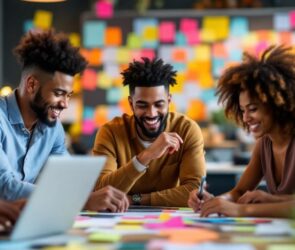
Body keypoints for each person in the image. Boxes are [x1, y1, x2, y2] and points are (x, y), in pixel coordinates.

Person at [0, 30, 129, 212]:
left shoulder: (53, 129)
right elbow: (5, 188)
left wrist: (93, 194)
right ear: (31, 85)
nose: (65, 104)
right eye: (58, 93)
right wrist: (82, 202)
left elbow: (67, 182)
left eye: (69, 95)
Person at [188, 45, 295, 217]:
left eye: (252, 109)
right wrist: (215, 202)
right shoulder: (264, 144)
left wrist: (243, 209)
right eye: (243, 110)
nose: (245, 118)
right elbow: (239, 192)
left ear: (276, 104)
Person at [93, 57, 206, 207]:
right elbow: (100, 192)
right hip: (117, 220)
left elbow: (195, 192)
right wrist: (146, 156)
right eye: (142, 105)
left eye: (159, 104)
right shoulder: (110, 132)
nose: (151, 113)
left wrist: (135, 199)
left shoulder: (186, 129)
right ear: (131, 103)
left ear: (169, 101)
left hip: (169, 221)